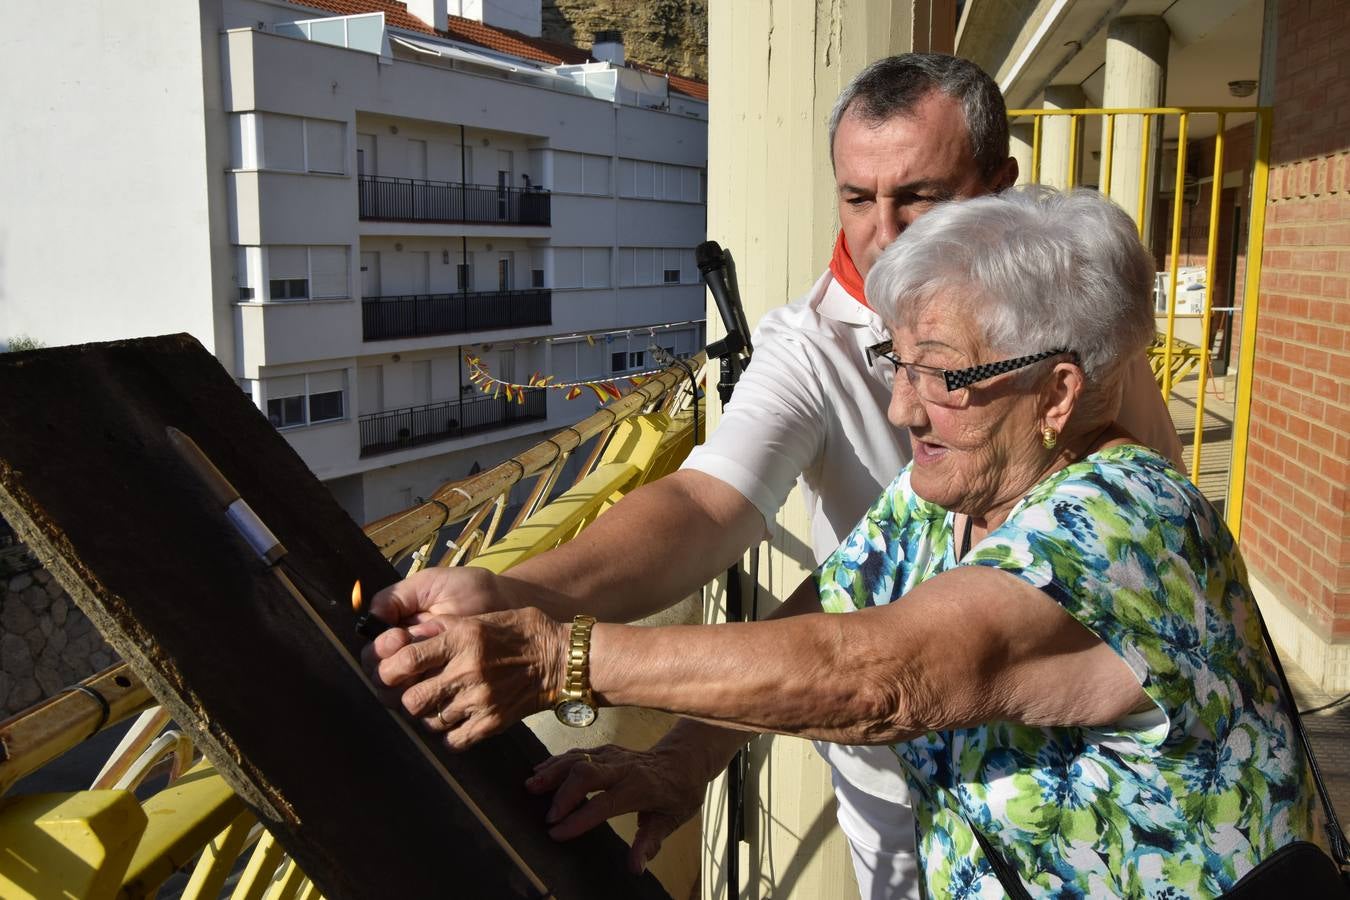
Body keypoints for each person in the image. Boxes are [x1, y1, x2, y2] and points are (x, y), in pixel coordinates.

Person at [370, 55, 1183, 898]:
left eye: (939, 373)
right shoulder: (936, 436)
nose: (905, 410)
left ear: (1061, 388)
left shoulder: (1107, 480)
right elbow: (810, 572)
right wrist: (524, 607)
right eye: (857, 198)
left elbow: (884, 675)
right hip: (938, 821)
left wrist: (558, 656)